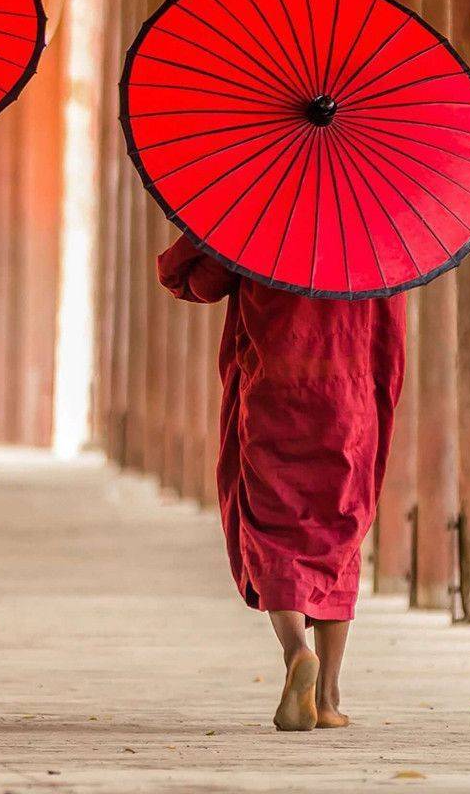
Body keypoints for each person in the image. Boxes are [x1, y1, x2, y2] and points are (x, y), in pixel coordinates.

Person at [157, 232, 403, 732]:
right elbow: (389, 343)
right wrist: (375, 404)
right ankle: (330, 698)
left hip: (275, 389)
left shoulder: (261, 214)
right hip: (349, 397)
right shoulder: (377, 230)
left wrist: (215, 232)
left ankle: (296, 652)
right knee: (340, 535)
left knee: (270, 530)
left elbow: (191, 278)